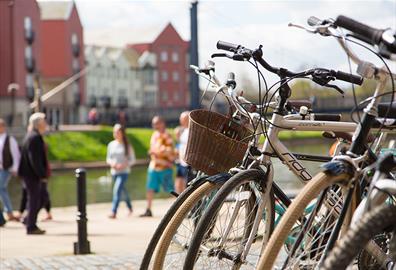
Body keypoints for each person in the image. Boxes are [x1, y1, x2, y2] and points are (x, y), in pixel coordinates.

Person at [18, 113, 49, 235]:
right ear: (39, 124)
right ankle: (31, 226)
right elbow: (34, 159)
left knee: (41, 198)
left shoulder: (32, 136)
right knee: (34, 199)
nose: (46, 124)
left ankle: (28, 219)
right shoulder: (34, 137)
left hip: (29, 174)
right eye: (44, 122)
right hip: (32, 175)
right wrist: (42, 175)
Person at [140, 116, 175, 217]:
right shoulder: (154, 135)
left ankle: (177, 210)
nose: (154, 126)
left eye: (156, 123)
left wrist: (158, 151)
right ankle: (148, 209)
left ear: (162, 123)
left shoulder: (167, 136)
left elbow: (170, 152)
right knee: (149, 188)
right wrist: (155, 152)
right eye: (153, 124)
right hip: (154, 166)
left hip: (165, 167)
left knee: (170, 189)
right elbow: (152, 149)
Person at [106, 124, 135, 219]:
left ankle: (113, 211)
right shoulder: (111, 144)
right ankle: (130, 207)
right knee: (122, 191)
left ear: (122, 133)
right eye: (114, 132)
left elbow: (132, 160)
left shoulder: (127, 145)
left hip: (124, 172)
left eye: (118, 132)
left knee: (117, 190)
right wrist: (112, 164)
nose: (116, 134)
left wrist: (124, 165)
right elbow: (108, 158)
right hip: (114, 172)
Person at [0, 118, 20, 222]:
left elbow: (16, 154)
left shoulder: (9, 139)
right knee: (2, 189)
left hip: (7, 168)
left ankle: (9, 211)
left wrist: (15, 168)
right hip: (1, 168)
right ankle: (7, 211)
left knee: (1, 188)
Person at [174, 111, 190, 194]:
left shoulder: (190, 130)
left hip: (187, 163)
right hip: (181, 161)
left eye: (182, 119)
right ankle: (178, 201)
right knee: (178, 182)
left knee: (186, 184)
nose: (180, 121)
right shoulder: (184, 130)